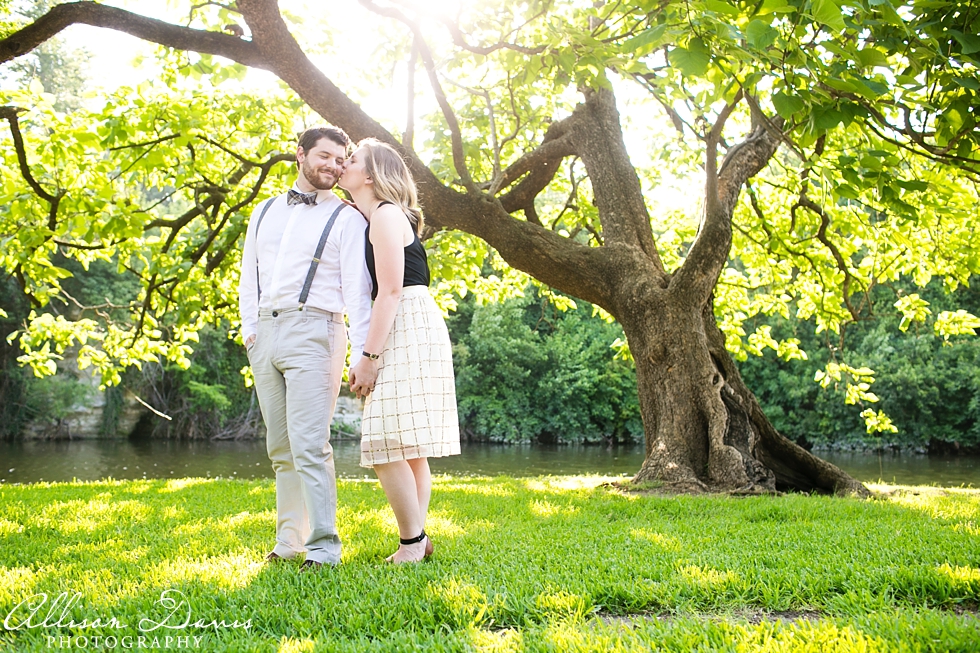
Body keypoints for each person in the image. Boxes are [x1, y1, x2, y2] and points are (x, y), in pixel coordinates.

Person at [238, 126, 372, 570]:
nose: (333, 165)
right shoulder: (263, 211)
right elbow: (248, 276)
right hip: (266, 333)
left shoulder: (349, 218)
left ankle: (324, 549)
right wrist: (249, 330)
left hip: (318, 331)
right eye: (325, 156)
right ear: (300, 155)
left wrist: (362, 351)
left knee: (311, 445)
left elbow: (357, 290)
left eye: (341, 159)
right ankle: (287, 543)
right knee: (280, 449)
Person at [341, 138, 460, 564]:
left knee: (385, 439)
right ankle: (416, 539)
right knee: (406, 445)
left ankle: (411, 542)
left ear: (370, 174)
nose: (343, 163)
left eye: (350, 160)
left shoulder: (387, 215)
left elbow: (390, 291)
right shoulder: (370, 216)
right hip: (409, 318)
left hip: (406, 319)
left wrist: (368, 359)